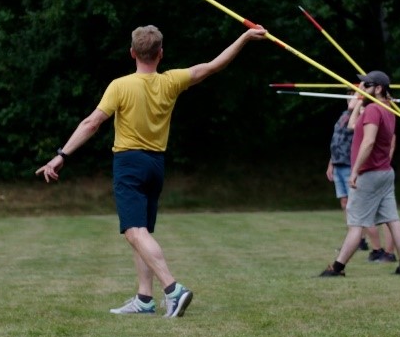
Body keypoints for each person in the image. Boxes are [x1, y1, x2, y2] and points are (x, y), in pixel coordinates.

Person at [36, 24, 268, 318]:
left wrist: (61, 155)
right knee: (142, 231)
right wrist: (245, 37)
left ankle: (173, 290)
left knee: (134, 232)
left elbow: (91, 123)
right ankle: (145, 299)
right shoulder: (172, 81)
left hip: (129, 164)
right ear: (161, 54)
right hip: (155, 165)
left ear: (132, 52)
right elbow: (211, 66)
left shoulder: (120, 85)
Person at [319, 71, 400, 277]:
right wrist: (359, 99)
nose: (360, 87)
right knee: (393, 219)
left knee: (355, 223)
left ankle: (337, 268)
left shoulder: (373, 110)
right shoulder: (387, 109)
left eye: (366, 85)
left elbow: (368, 141)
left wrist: (355, 171)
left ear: (378, 88)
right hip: (385, 173)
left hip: (369, 174)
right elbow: (352, 126)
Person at [325, 92, 393, 262]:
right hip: (339, 164)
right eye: (348, 97)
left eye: (354, 96)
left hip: (353, 165)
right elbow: (337, 140)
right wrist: (331, 162)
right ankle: (357, 241)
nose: (350, 99)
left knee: (363, 210)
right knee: (348, 206)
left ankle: (376, 248)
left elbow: (365, 139)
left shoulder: (366, 112)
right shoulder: (344, 116)